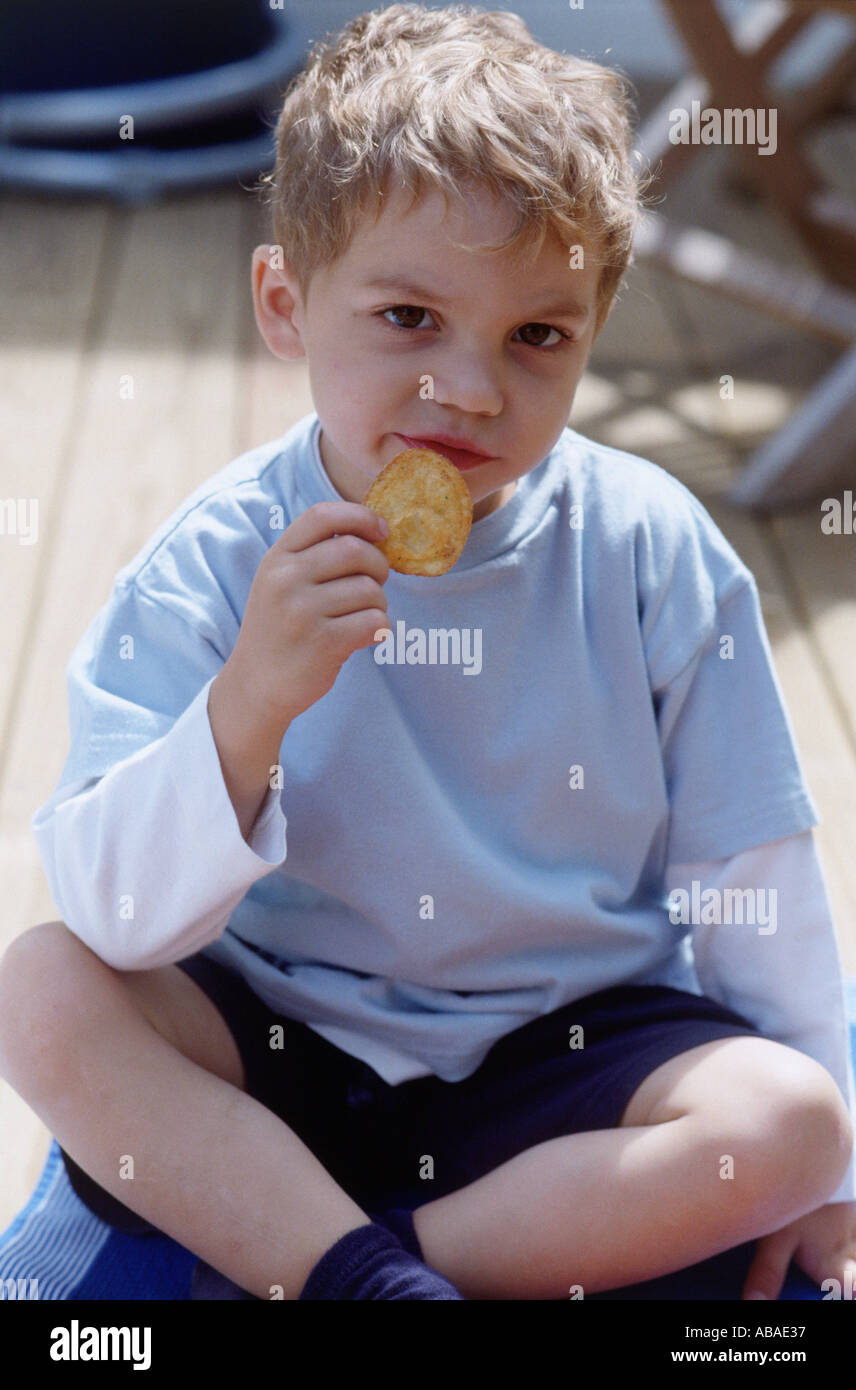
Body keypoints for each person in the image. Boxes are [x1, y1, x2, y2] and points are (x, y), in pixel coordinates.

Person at [1, 3, 854, 1302]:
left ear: (594, 329)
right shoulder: (215, 560)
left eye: (537, 336)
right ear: (287, 304)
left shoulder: (649, 549)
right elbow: (119, 917)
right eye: (409, 316)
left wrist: (826, 1178)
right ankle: (361, 1270)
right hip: (280, 1043)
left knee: (791, 1120)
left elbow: (754, 871)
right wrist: (246, 711)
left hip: (565, 1060)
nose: (470, 389)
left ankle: (371, 1269)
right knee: (44, 986)